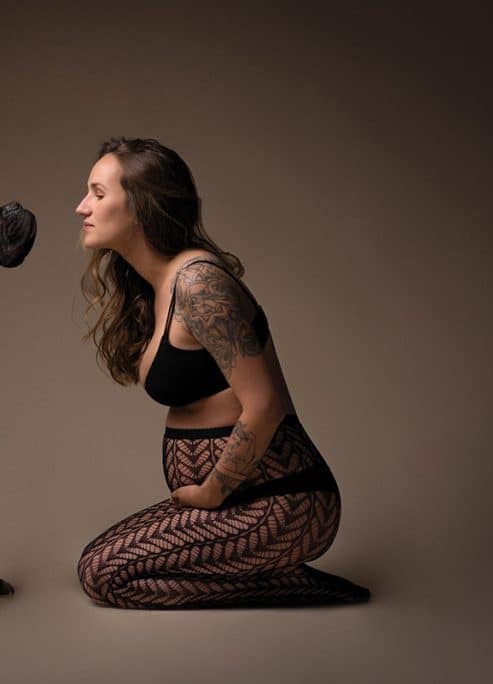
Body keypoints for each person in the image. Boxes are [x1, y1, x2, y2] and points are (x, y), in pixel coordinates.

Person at [74, 137, 370, 608]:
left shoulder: (198, 283)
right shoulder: (158, 287)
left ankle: (294, 585)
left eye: (98, 193)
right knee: (95, 566)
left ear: (141, 207)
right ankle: (274, 579)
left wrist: (213, 490)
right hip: (239, 505)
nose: (81, 206)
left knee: (103, 575)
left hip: (284, 503)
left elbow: (265, 404)